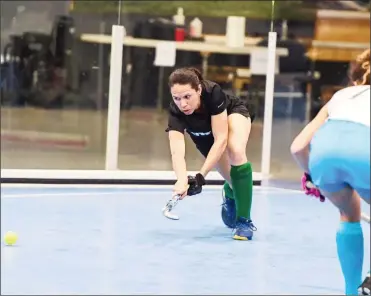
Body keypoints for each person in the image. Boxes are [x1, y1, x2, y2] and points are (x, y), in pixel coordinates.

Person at [290, 48, 370, 295]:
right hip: (365, 151)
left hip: (324, 158)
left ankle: (351, 291)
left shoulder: (341, 95)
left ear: (355, 79)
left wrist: (312, 176)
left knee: (349, 213)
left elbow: (298, 146)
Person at [165, 67, 257, 241]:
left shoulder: (212, 92)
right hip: (207, 139)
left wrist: (201, 176)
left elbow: (221, 138)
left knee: (235, 149)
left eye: (187, 97)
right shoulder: (176, 112)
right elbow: (177, 152)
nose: (182, 104)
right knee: (234, 181)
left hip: (231, 114)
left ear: (198, 90)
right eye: (176, 98)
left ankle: (244, 222)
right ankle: (230, 192)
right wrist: (182, 180)